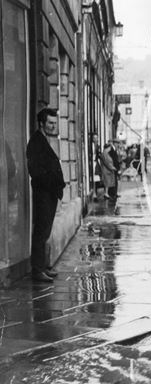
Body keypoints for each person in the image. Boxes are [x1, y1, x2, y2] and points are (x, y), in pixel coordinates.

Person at [26, 108, 66, 283]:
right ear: (41, 123)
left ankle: (42, 266)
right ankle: (37, 270)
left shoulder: (43, 140)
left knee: (45, 231)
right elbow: (36, 172)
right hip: (43, 194)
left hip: (49, 194)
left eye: (55, 123)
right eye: (50, 123)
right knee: (41, 232)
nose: (53, 126)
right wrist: (52, 186)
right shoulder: (36, 142)